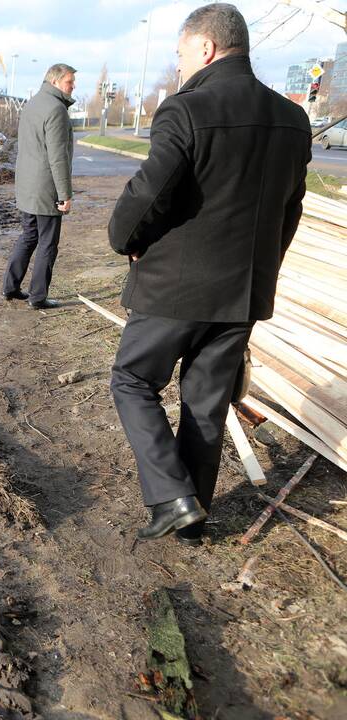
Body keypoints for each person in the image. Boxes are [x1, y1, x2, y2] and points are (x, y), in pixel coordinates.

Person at [108, 3, 311, 544]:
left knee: (132, 381)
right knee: (206, 403)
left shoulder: (186, 110)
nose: (178, 67)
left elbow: (150, 190)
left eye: (180, 55)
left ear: (205, 48)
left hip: (174, 287)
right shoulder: (292, 120)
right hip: (243, 290)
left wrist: (125, 240)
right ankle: (192, 519)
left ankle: (173, 498)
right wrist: (261, 265)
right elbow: (290, 209)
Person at [3, 63, 76, 309]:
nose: (73, 86)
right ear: (55, 82)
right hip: (46, 189)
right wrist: (65, 194)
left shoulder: (33, 103)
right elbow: (58, 157)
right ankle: (38, 297)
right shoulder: (56, 109)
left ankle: (10, 288)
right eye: (69, 82)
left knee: (29, 236)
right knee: (47, 243)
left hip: (27, 185)